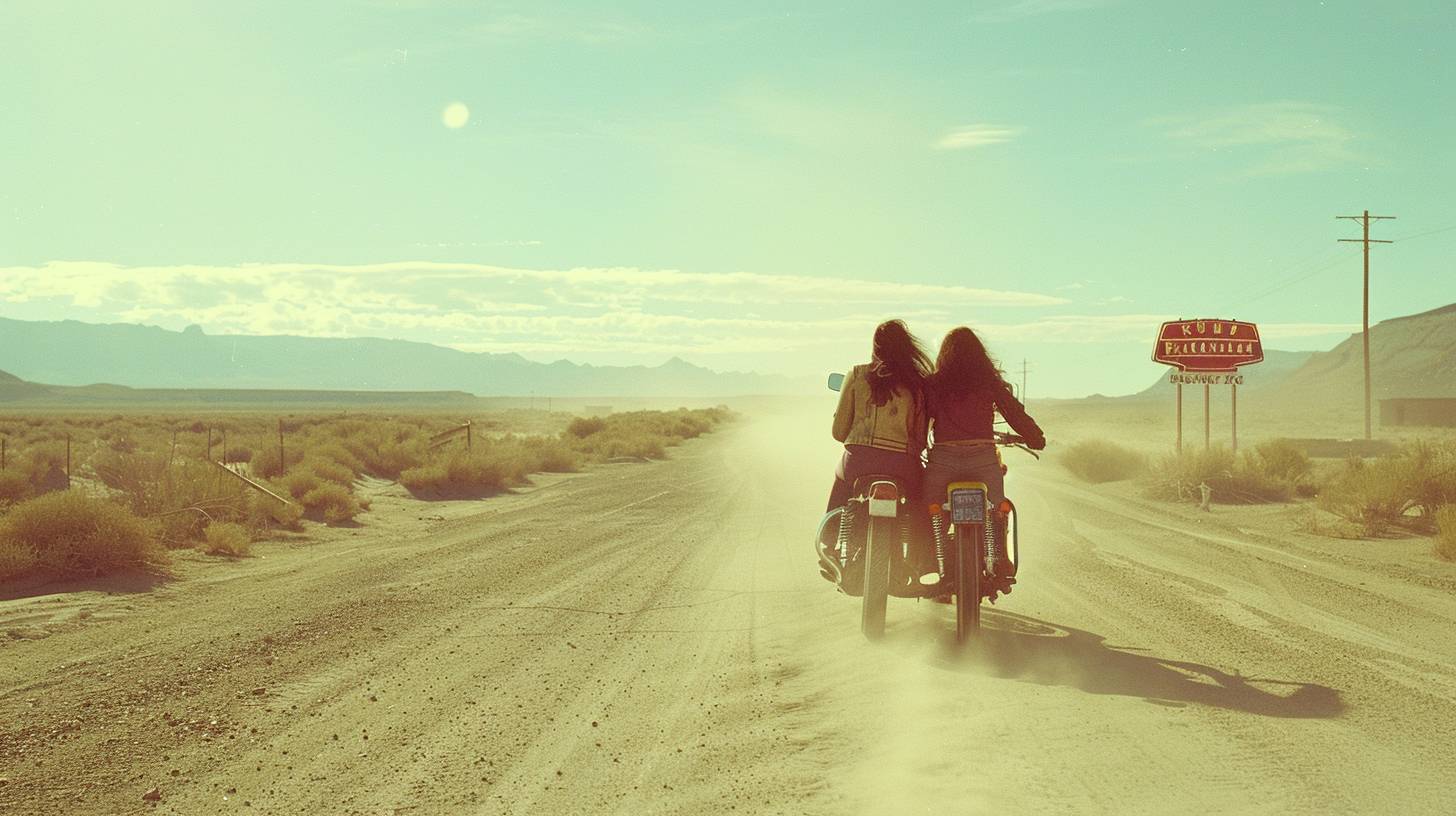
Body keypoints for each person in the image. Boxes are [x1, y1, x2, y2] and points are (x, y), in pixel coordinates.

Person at [922, 326, 1046, 591]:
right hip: (983, 459)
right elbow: (1015, 412)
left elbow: (920, 420)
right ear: (980, 355)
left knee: (931, 512)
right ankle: (999, 562)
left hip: (943, 458)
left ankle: (927, 562)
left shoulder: (933, 383)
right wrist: (1035, 437)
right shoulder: (988, 383)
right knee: (996, 511)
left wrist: (914, 446)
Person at [826, 319, 932, 513]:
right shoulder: (918, 384)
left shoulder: (857, 375)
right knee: (919, 503)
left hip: (858, 463)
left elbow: (839, 433)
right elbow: (920, 439)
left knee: (841, 482)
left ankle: (829, 537)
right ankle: (924, 541)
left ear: (876, 346)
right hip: (904, 466)